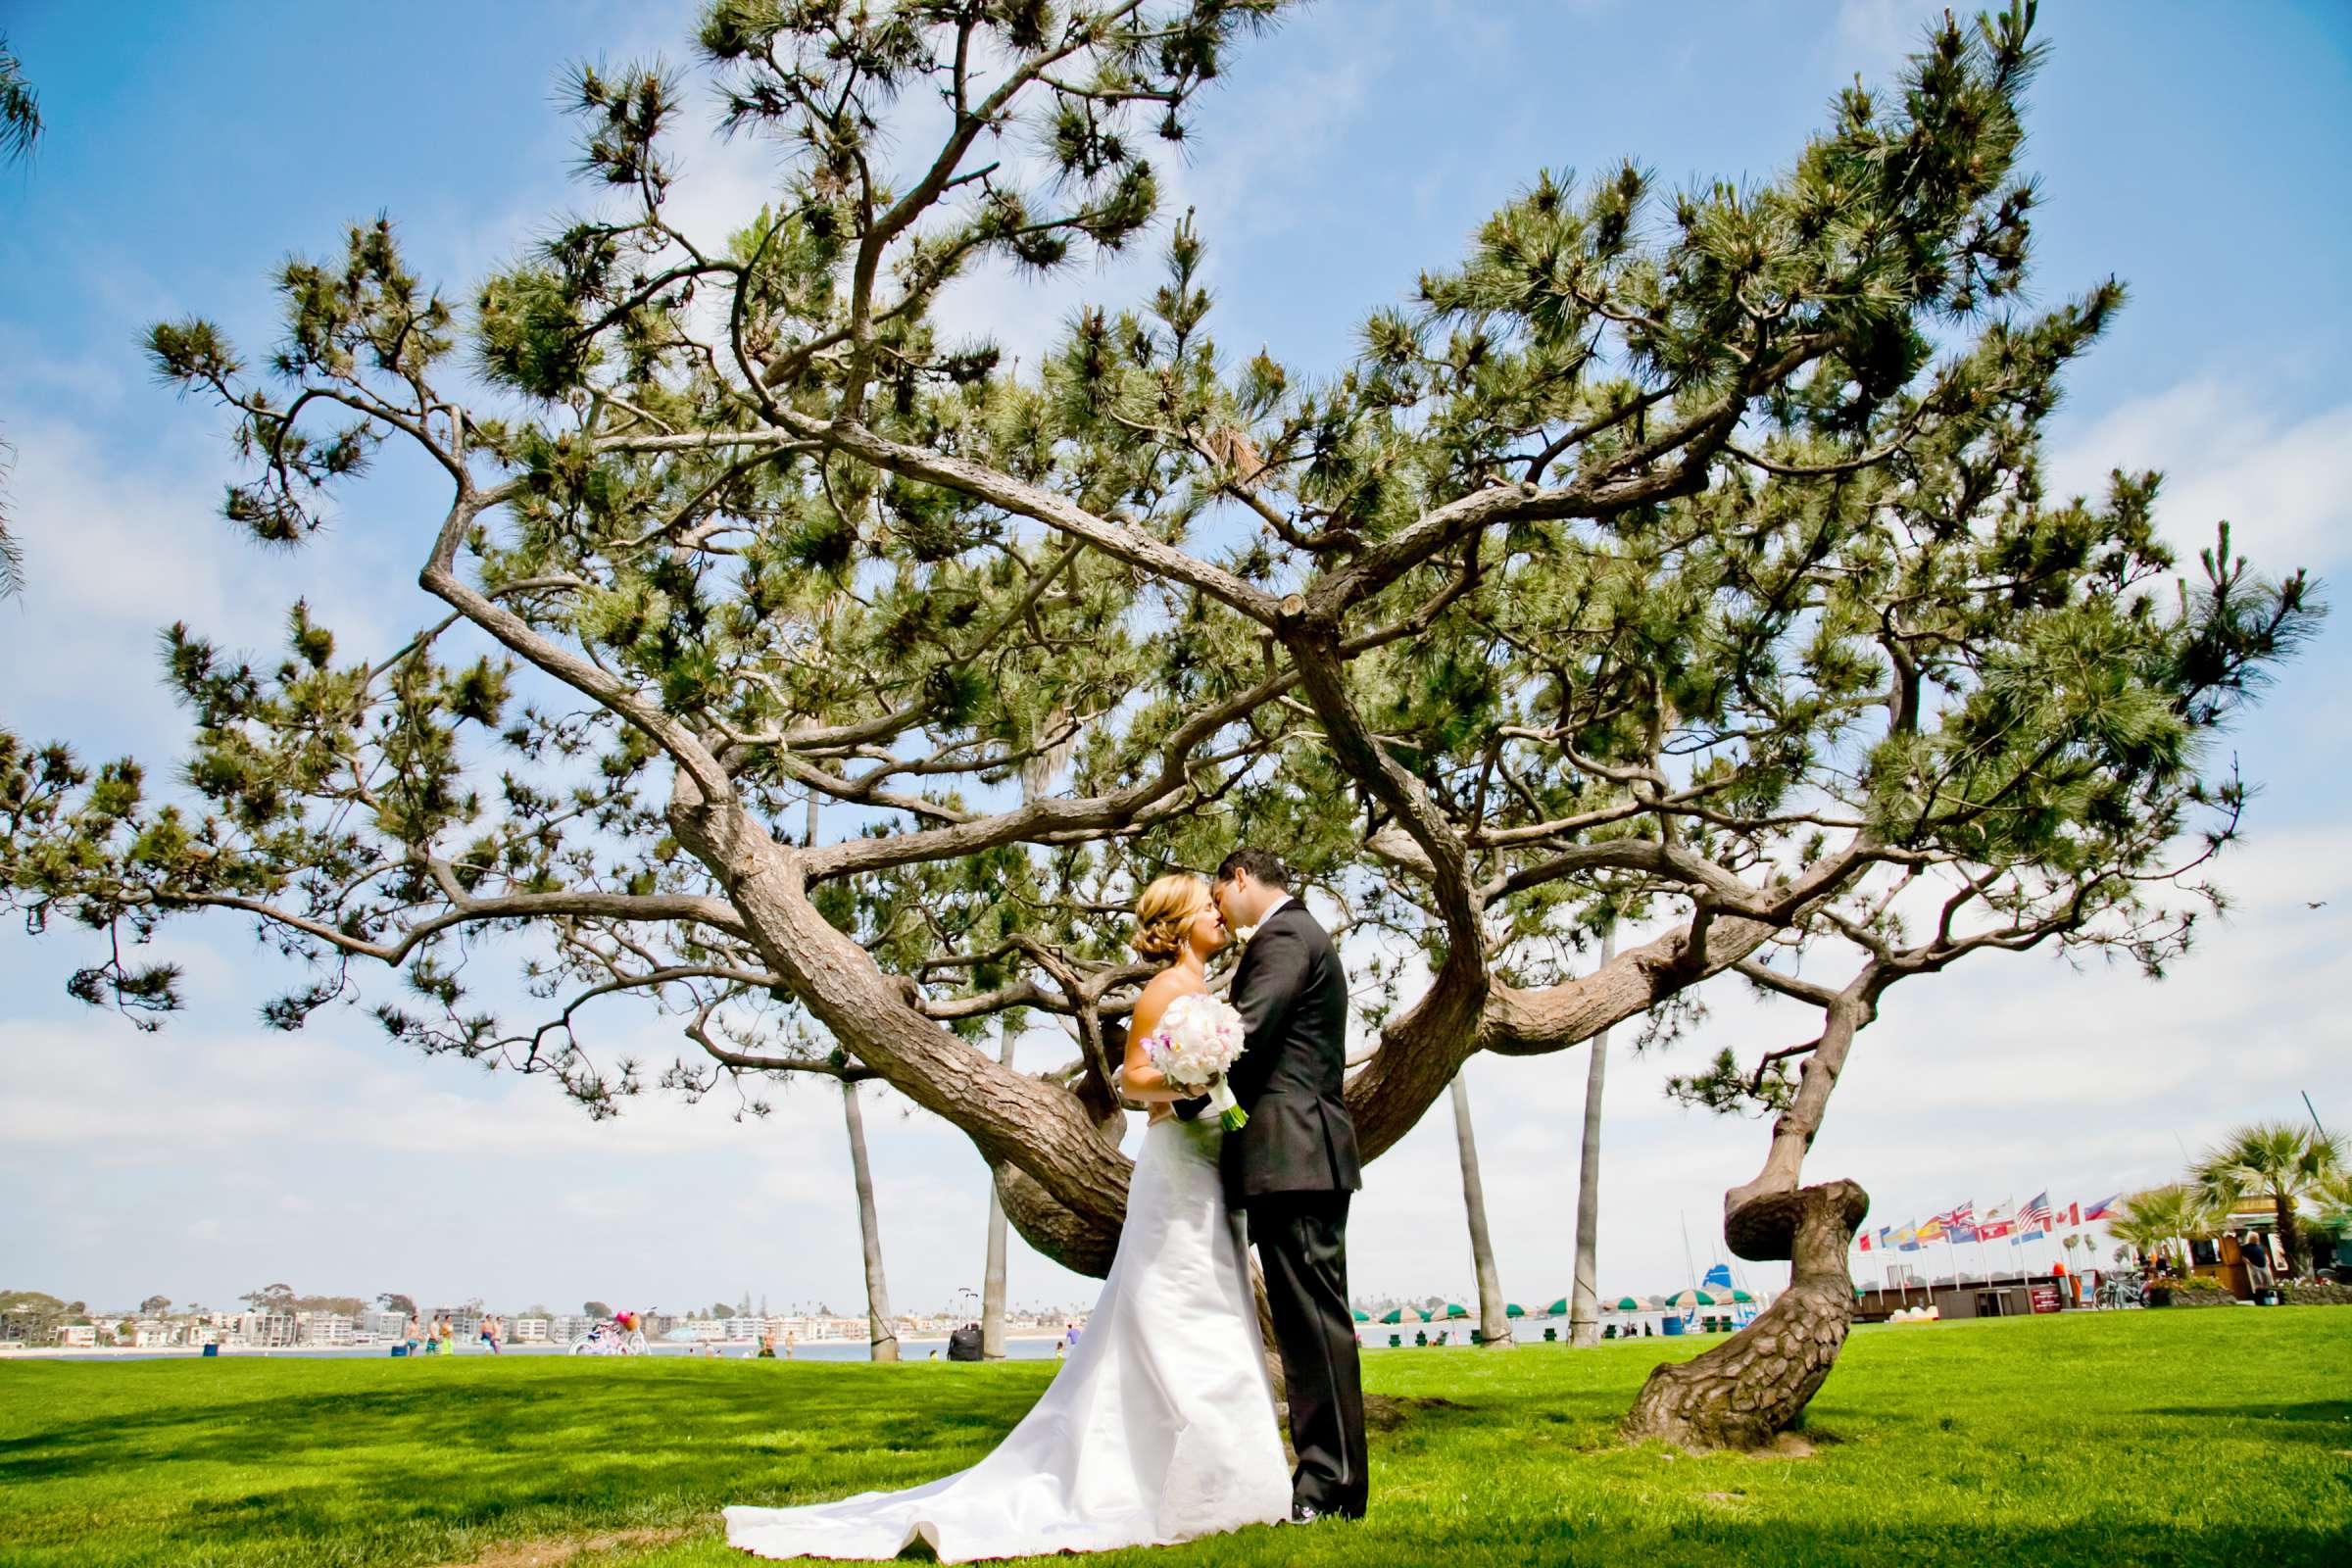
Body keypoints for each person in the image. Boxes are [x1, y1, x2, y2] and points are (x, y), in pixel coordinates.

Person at [726, 869, 1292, 1560]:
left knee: (1213, 1302)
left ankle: (1222, 1473)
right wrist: (1194, 1073)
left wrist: (1218, 1076)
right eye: (1208, 906)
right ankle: (1165, 1473)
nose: (1219, 915)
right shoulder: (1165, 991)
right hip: (1174, 1164)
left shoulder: (1203, 993)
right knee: (1173, 1304)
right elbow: (1133, 1079)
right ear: (1178, 924)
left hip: (1207, 1161)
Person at [1181, 848, 1368, 1523]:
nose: (1219, 911)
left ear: (1237, 879)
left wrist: (1179, 1086)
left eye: (1216, 894)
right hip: (1292, 1157)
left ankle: (1327, 1484)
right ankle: (1334, 1483)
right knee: (1307, 1324)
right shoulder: (1300, 933)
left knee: (1313, 1326)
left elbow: (1248, 1033)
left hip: (1295, 1156)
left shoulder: (1286, 935)